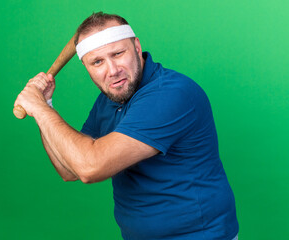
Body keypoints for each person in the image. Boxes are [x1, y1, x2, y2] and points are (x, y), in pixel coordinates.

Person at [14, 12, 239, 240]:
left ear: (137, 47)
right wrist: (47, 105)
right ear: (87, 68)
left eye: (118, 53)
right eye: (97, 62)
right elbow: (68, 168)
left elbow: (89, 167)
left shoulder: (170, 94)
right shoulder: (111, 98)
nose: (112, 70)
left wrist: (39, 110)